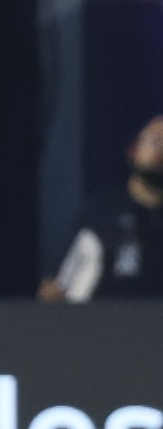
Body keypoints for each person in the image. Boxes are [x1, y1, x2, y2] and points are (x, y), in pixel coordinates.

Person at [39, 114, 163, 302]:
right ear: (133, 150)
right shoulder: (100, 213)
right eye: (154, 139)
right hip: (103, 316)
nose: (160, 149)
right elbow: (55, 288)